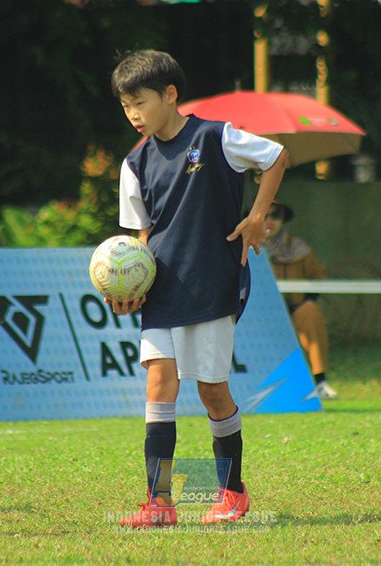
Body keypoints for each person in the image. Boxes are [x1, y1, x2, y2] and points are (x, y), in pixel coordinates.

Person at [110, 49, 289, 527]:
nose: (132, 114)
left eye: (140, 103)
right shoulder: (135, 163)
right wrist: (132, 283)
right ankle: (159, 502)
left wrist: (256, 216)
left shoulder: (214, 137)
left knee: (212, 391)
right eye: (125, 106)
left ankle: (231, 492)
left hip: (211, 282)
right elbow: (141, 238)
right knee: (158, 384)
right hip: (163, 291)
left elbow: (275, 157)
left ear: (170, 95)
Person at [261, 200, 339, 400]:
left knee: (310, 312)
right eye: (264, 214)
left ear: (283, 220)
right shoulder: (246, 245)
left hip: (294, 308)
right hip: (257, 310)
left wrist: (307, 300)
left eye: (276, 215)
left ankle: (320, 381)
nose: (270, 220)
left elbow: (318, 279)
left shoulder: (298, 248)